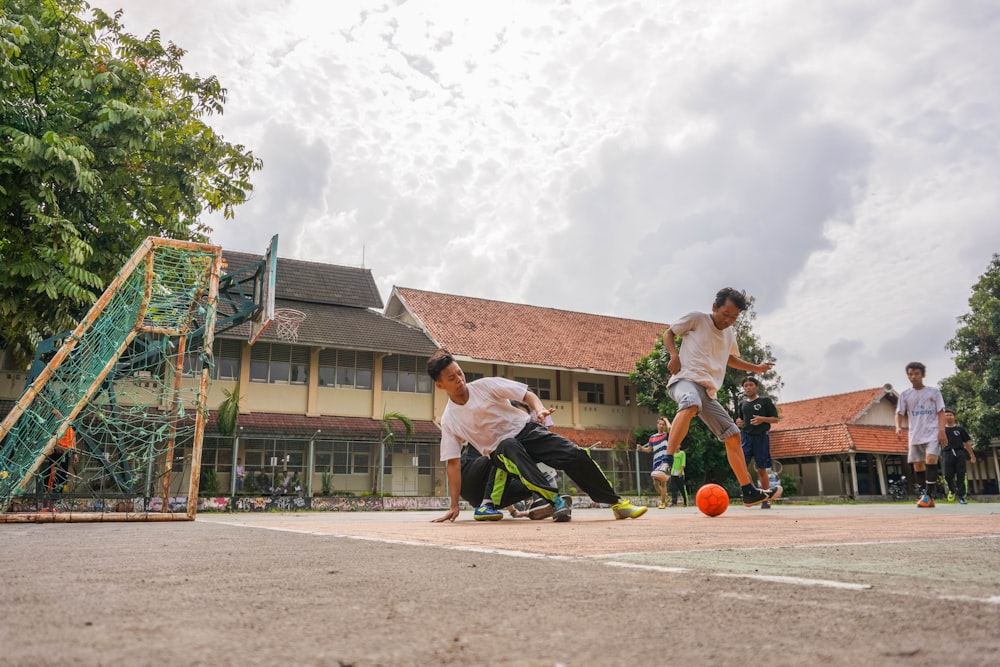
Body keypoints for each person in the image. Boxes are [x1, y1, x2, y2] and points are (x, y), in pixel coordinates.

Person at [427, 349, 647, 523]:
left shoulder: (485, 386)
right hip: (500, 451)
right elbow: (453, 464)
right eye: (451, 378)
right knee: (509, 445)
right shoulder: (449, 419)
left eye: (460, 373)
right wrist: (454, 506)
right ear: (440, 384)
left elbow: (526, 394)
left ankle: (617, 504)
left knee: (574, 454)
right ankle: (555, 501)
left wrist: (539, 410)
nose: (459, 379)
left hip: (527, 431)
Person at [660, 287, 781, 507]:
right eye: (725, 314)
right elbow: (668, 332)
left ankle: (748, 491)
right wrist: (674, 355)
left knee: (733, 434)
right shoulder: (697, 319)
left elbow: (730, 359)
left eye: (733, 318)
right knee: (690, 403)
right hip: (685, 381)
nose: (728, 321)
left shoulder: (729, 334)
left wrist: (757, 368)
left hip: (707, 392)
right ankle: (666, 462)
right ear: (714, 307)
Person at [895, 361, 946, 508]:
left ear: (922, 375)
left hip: (932, 432)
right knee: (918, 465)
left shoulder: (933, 392)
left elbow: (941, 412)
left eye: (916, 374)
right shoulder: (905, 395)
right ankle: (925, 494)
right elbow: (899, 413)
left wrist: (942, 430)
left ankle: (928, 496)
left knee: (930, 459)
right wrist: (898, 426)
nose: (913, 377)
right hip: (915, 434)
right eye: (910, 374)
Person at [736, 376, 780, 509]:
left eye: (750, 385)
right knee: (741, 467)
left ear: (756, 387)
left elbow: (775, 419)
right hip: (746, 437)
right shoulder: (742, 404)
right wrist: (739, 422)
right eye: (745, 386)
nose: (748, 388)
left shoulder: (765, 401)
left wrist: (762, 419)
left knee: (761, 469)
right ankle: (753, 493)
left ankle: (766, 499)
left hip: (761, 437)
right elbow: (739, 419)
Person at [40, 424, 78, 512]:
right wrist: (56, 446)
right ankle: (44, 506)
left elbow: (73, 437)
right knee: (49, 478)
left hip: (65, 454)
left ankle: (52, 505)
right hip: (54, 454)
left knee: (62, 479)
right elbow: (49, 436)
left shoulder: (72, 423)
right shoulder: (56, 422)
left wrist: (75, 452)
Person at [942, 409, 976, 505]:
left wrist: (971, 455)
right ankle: (952, 490)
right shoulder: (942, 430)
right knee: (948, 475)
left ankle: (961, 496)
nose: (949, 417)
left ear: (954, 417)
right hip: (947, 453)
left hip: (960, 453)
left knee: (961, 475)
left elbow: (967, 443)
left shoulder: (960, 429)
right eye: (946, 415)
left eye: (950, 415)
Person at [637, 417, 671, 508]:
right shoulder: (652, 437)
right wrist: (641, 448)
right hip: (656, 462)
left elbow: (671, 428)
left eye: (663, 424)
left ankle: (662, 502)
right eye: (660, 424)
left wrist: (666, 419)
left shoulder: (667, 435)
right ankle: (664, 496)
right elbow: (649, 449)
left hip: (665, 461)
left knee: (663, 482)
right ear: (657, 425)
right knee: (655, 483)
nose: (661, 426)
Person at [668, 442, 688, 507]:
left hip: (679, 473)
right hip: (673, 473)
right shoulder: (673, 454)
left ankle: (685, 501)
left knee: (681, 487)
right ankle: (674, 502)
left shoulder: (682, 453)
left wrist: (681, 471)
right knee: (673, 488)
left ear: (679, 446)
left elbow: (683, 463)